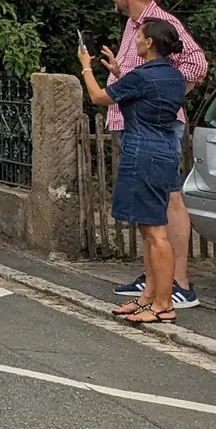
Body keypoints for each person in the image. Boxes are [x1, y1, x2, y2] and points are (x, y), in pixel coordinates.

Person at [103, 0, 206, 309]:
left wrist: (169, 93)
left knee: (169, 199)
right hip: (135, 123)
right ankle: (156, 280)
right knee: (150, 204)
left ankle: (179, 283)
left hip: (155, 126)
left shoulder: (159, 22)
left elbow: (197, 63)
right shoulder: (134, 26)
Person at [80, 19, 187, 324]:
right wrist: (118, 73)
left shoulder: (142, 76)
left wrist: (86, 67)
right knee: (147, 229)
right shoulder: (172, 76)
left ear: (150, 43)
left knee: (155, 232)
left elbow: (99, 98)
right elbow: (144, 94)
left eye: (139, 37)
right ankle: (148, 297)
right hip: (163, 151)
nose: (136, 41)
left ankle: (164, 304)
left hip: (143, 153)